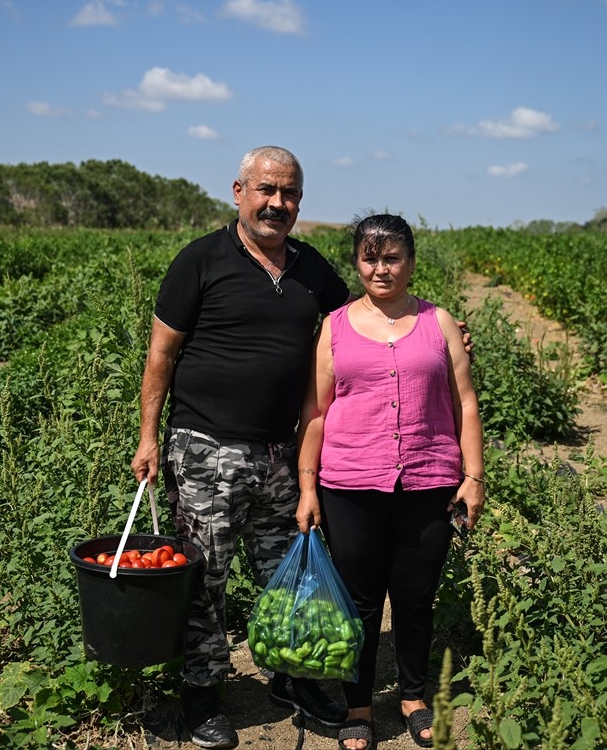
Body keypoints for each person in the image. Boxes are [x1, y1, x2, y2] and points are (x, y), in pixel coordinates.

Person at [129, 146, 352, 749]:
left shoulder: (312, 269)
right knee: (204, 579)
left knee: (290, 572)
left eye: (290, 194)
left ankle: (292, 676)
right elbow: (161, 356)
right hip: (206, 449)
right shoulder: (200, 260)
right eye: (267, 190)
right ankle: (202, 694)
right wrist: (149, 438)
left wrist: (433, 325)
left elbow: (359, 323)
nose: (278, 204)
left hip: (282, 454)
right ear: (239, 191)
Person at [295, 213, 486, 750]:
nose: (381, 269)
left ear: (411, 262)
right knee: (358, 599)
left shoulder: (439, 322)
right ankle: (358, 706)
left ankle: (413, 696)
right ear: (357, 262)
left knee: (415, 595)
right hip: (349, 483)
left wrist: (474, 476)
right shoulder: (334, 326)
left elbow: (464, 402)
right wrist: (308, 487)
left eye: (392, 257)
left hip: (429, 479)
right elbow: (315, 412)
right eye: (370, 258)